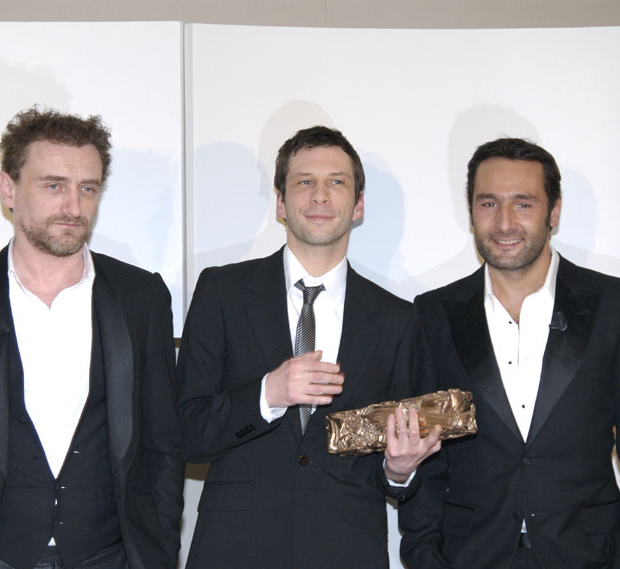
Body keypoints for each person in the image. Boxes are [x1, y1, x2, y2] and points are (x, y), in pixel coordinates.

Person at [0, 107, 183, 569]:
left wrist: (159, 555)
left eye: (87, 188)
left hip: (110, 557)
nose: (73, 207)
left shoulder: (140, 298)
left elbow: (162, 448)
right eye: (53, 186)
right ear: (8, 189)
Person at [400, 137, 620, 569]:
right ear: (471, 213)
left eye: (523, 204)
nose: (504, 222)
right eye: (489, 203)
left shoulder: (617, 305)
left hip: (590, 557)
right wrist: (423, 553)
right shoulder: (434, 313)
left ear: (555, 211)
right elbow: (426, 452)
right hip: (470, 556)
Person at [177, 125, 442, 568]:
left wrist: (399, 469)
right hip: (234, 550)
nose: (320, 196)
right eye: (304, 182)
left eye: (336, 182)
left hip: (346, 551)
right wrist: (267, 394)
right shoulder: (221, 292)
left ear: (358, 205)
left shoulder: (398, 319)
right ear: (281, 203)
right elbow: (187, 434)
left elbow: (396, 461)